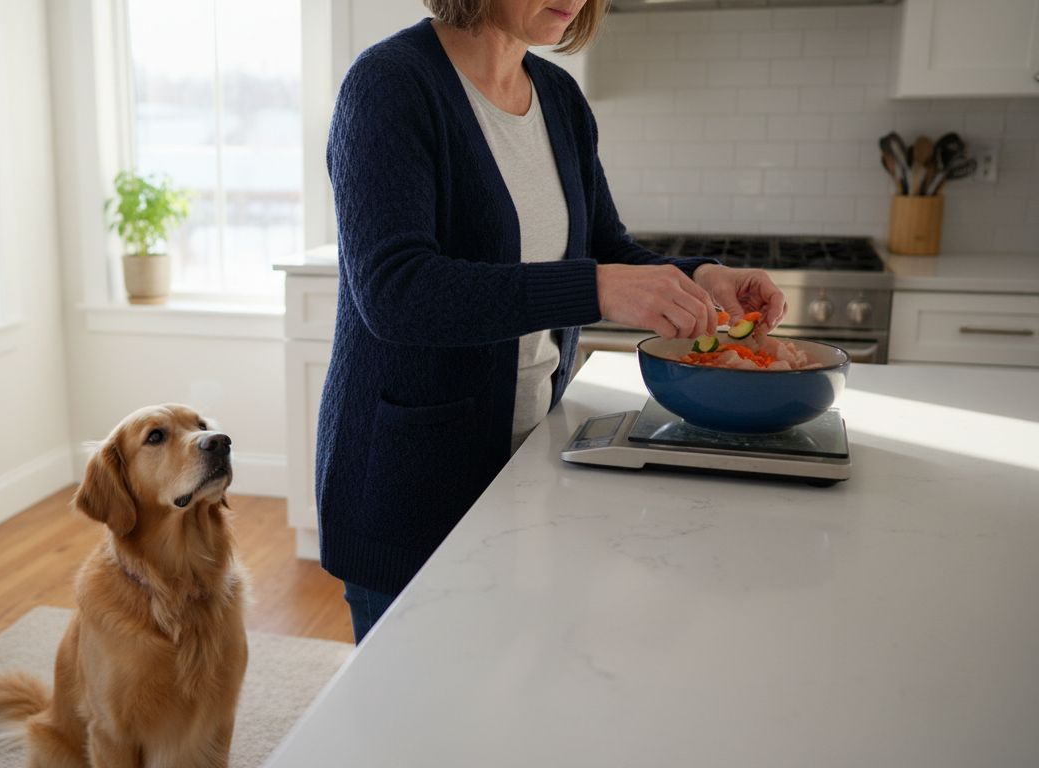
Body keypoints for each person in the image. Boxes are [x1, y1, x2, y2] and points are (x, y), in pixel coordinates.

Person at [317, 0, 787, 644]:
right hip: (413, 488)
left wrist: (701, 278)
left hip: (530, 459)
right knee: (417, 732)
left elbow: (602, 246)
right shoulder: (389, 85)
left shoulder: (558, 97)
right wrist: (593, 289)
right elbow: (396, 292)